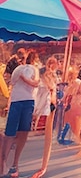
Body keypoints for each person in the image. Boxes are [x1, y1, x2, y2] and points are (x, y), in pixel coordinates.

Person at [0, 50, 40, 178]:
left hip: (21, 102)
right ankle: (7, 163)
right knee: (13, 134)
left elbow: (33, 84)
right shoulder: (26, 70)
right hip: (23, 102)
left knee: (17, 133)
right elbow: (35, 83)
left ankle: (11, 163)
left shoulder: (25, 70)